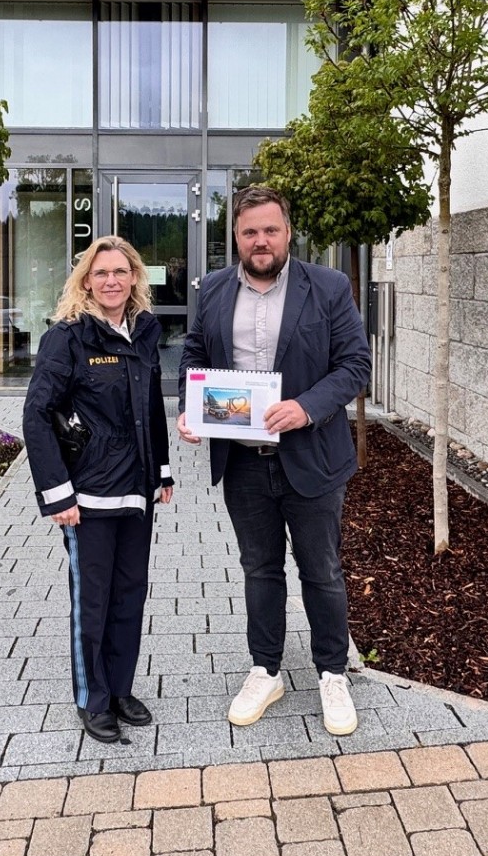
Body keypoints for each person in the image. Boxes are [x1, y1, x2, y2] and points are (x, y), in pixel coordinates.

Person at [178, 185, 371, 736]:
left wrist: (306, 408)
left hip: (312, 457)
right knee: (259, 570)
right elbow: (195, 355)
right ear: (235, 237)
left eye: (270, 230)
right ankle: (266, 669)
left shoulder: (329, 287)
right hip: (242, 464)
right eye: (249, 232)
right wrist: (192, 410)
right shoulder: (213, 290)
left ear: (288, 232)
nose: (260, 241)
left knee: (322, 572)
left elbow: (355, 365)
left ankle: (332, 672)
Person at [24, 236, 175, 744]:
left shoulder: (144, 332)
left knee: (129, 595)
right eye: (101, 272)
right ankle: (92, 698)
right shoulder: (67, 338)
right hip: (86, 497)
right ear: (86, 281)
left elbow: (153, 404)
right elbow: (37, 415)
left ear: (135, 277)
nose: (111, 280)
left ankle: (119, 689)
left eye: (120, 271)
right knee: (93, 601)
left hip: (136, 493)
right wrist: (58, 493)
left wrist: (164, 470)